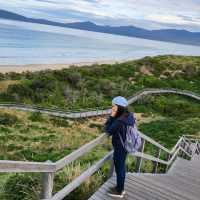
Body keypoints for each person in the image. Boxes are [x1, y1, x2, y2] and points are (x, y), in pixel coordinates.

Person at [105, 96, 135, 198]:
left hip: (120, 147)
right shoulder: (128, 115)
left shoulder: (120, 120)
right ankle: (119, 187)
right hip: (125, 146)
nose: (112, 108)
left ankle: (119, 191)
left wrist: (112, 116)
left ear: (119, 107)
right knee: (120, 167)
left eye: (113, 106)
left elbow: (108, 130)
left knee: (120, 168)